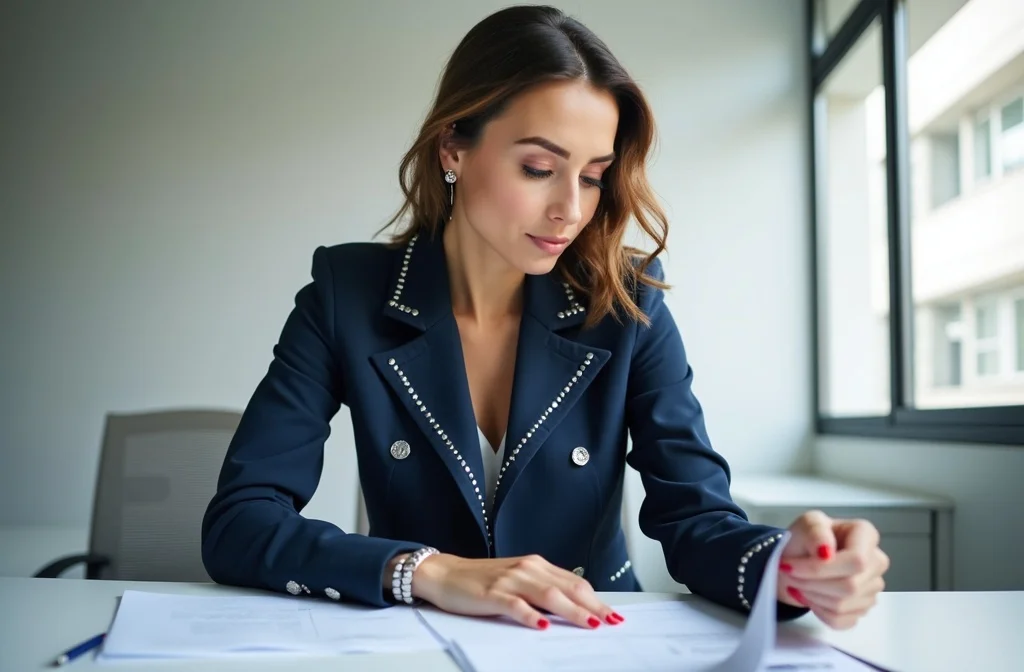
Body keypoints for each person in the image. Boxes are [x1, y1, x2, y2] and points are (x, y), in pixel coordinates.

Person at [201, 4, 889, 632]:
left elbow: (697, 519)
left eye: (592, 175)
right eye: (538, 167)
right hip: (415, 643)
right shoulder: (345, 294)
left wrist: (792, 569)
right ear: (452, 149)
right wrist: (427, 572)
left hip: (593, 639)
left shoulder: (628, 305)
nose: (571, 207)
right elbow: (240, 522)